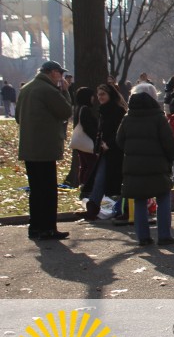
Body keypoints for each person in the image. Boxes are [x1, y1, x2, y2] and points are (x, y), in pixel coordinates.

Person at [15, 61, 73, 240]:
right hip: (45, 147)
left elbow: (17, 116)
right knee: (48, 190)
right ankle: (48, 228)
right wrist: (65, 91)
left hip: (29, 147)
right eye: (60, 73)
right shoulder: (48, 90)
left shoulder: (26, 88)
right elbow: (65, 111)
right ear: (53, 72)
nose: (61, 77)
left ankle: (35, 227)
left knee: (36, 190)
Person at [117, 82, 174, 246]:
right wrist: (170, 158)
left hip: (134, 166)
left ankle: (143, 236)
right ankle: (164, 235)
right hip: (157, 164)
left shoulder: (128, 118)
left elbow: (119, 140)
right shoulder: (158, 118)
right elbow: (169, 142)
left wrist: (131, 151)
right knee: (163, 197)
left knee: (140, 200)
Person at [83, 83, 127, 221]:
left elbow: (120, 131)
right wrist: (99, 146)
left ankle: (125, 209)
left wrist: (110, 144)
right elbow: (101, 131)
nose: (100, 97)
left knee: (120, 180)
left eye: (103, 94)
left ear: (110, 95)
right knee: (99, 178)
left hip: (116, 151)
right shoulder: (103, 110)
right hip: (105, 150)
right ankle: (93, 208)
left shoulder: (118, 110)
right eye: (98, 94)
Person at [70, 87, 99, 191]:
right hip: (86, 141)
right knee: (91, 164)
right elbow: (87, 127)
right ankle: (87, 185)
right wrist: (95, 137)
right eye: (92, 96)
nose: (93, 98)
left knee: (84, 164)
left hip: (80, 143)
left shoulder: (79, 108)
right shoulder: (85, 109)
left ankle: (82, 183)